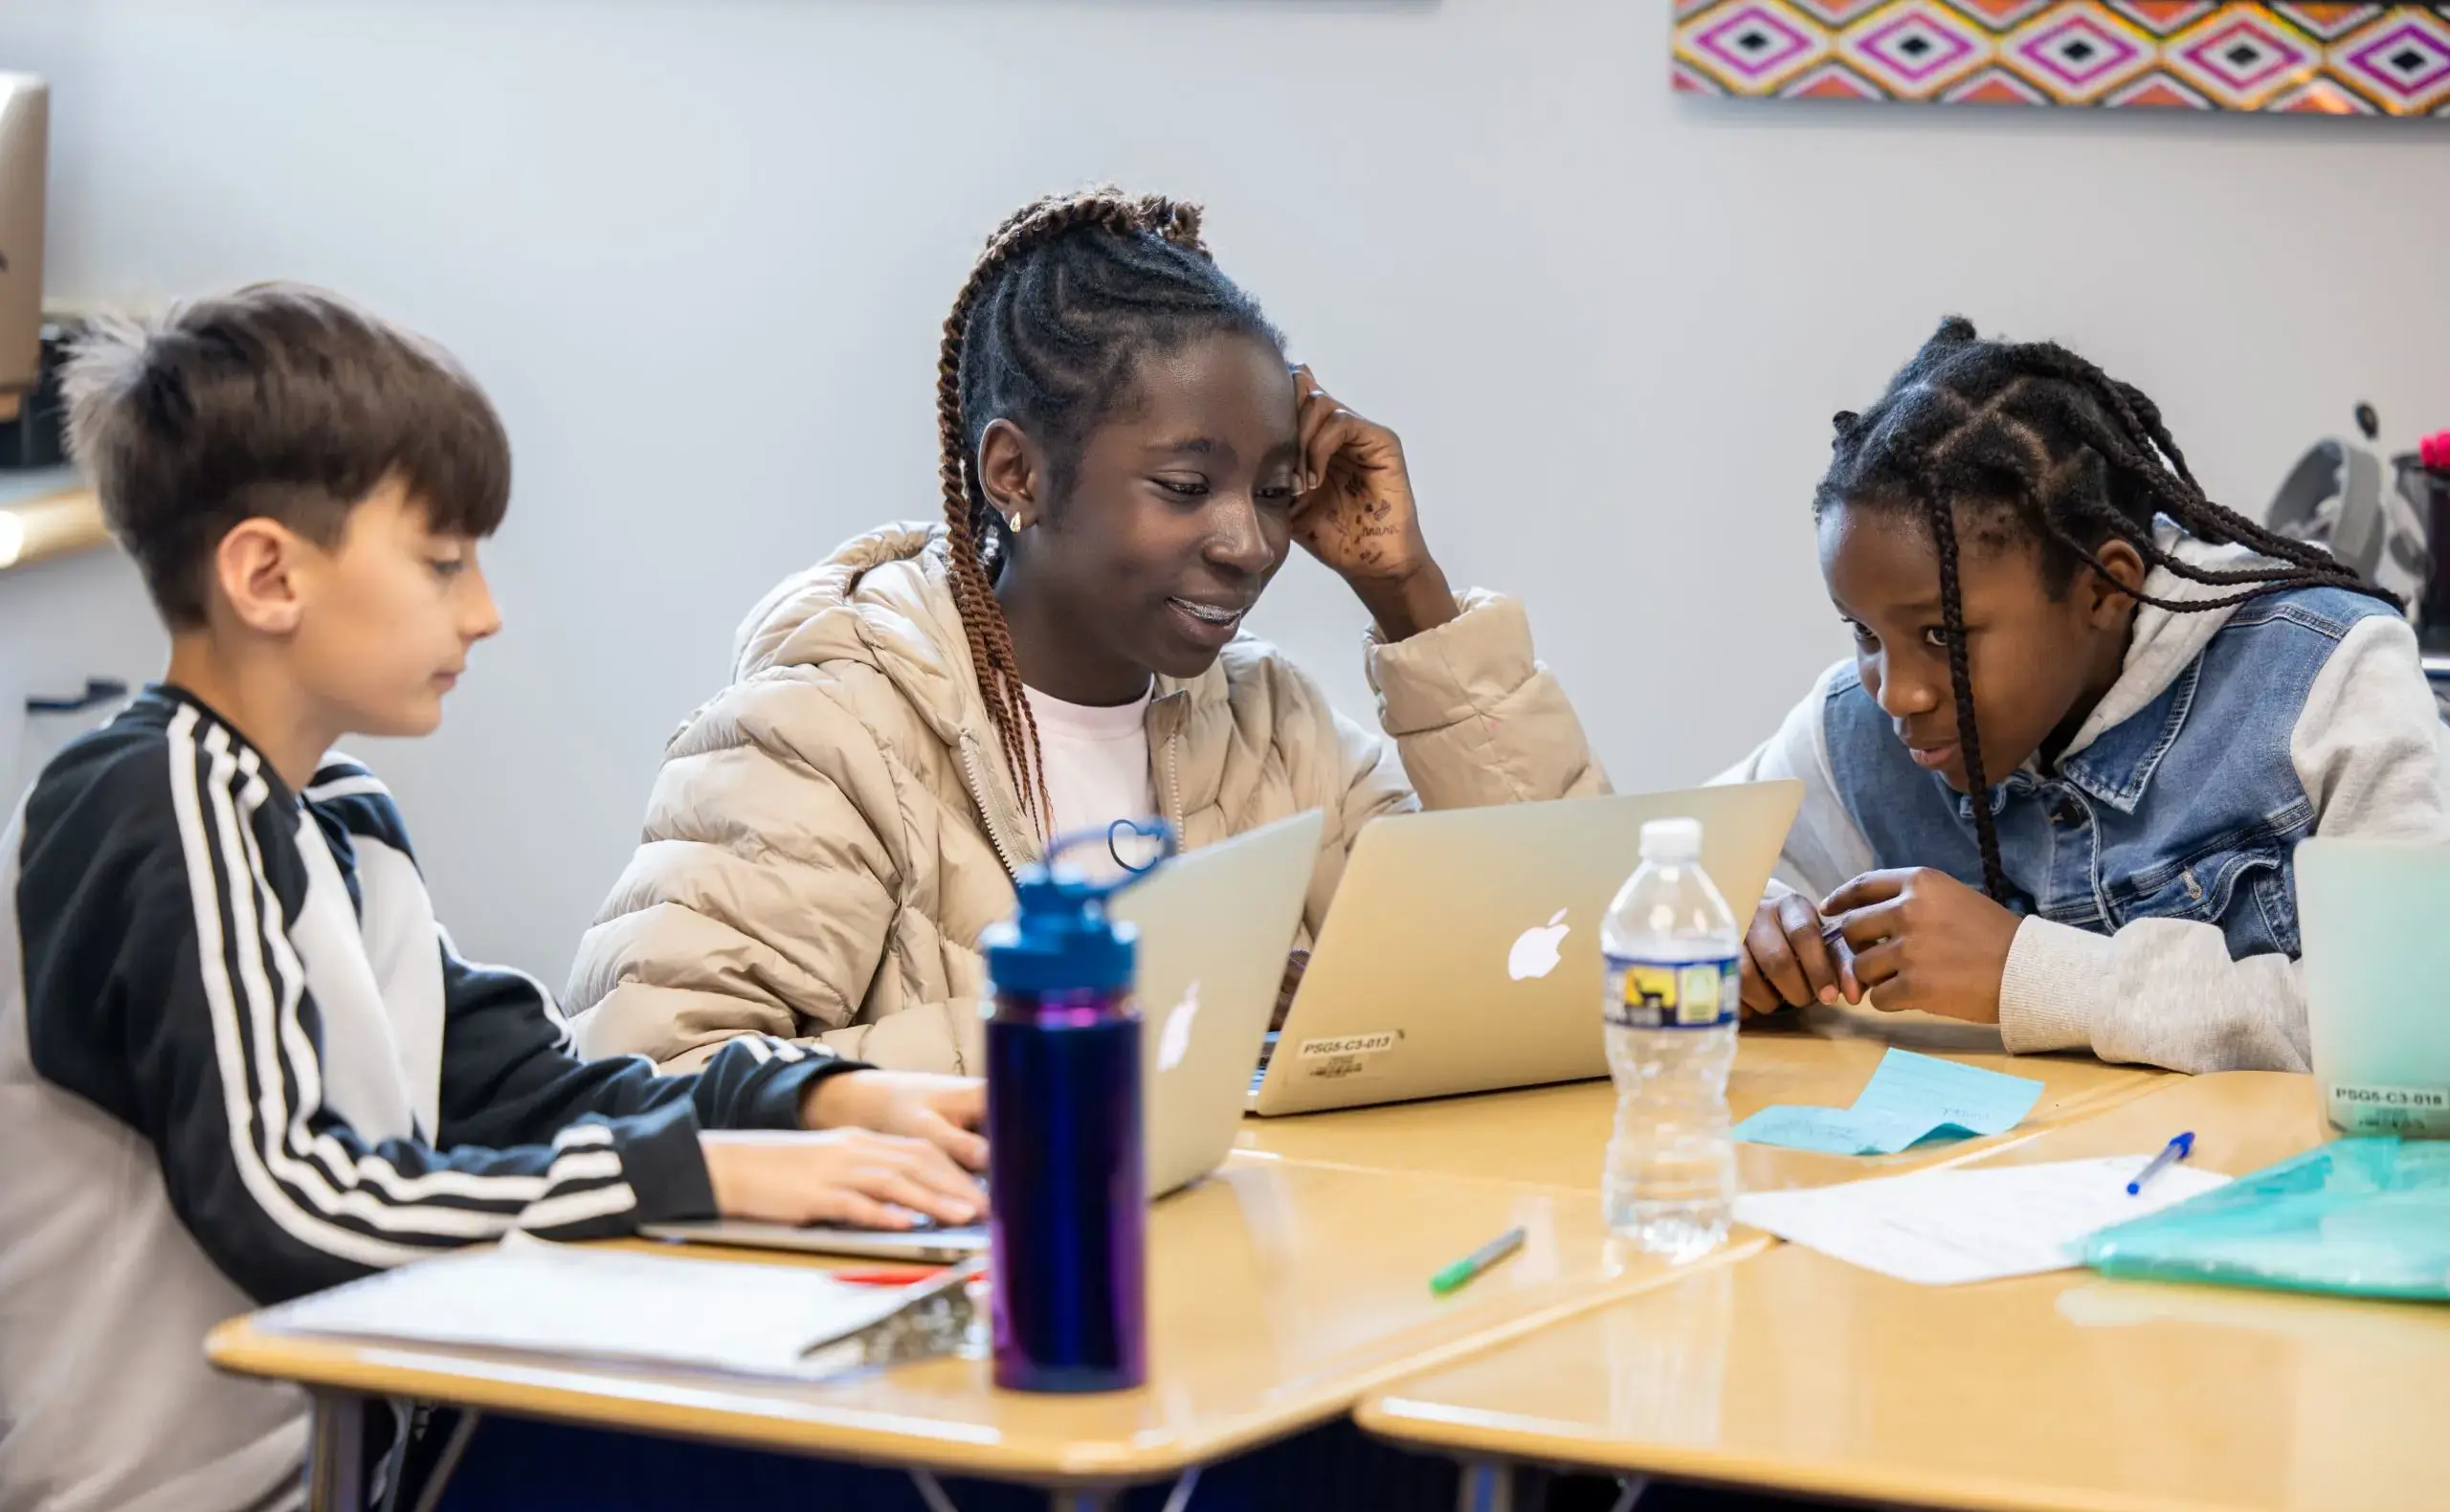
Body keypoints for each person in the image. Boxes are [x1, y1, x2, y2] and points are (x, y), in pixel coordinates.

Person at [0, 285, 987, 1512]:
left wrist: (819, 1099)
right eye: (442, 560)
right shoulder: (156, 800)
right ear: (265, 573)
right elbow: (293, 1201)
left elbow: (532, 1091)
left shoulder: (341, 819)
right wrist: (703, 1173)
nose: (484, 609)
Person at [568, 189, 1605, 1073]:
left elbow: (1559, 949)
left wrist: (1406, 589)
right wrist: (1133, 1015)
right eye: (1185, 486)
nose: (1250, 542)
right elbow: (657, 1079)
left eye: (1276, 491)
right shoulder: (823, 732)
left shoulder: (1275, 726)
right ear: (1015, 473)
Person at [1723, 317, 2450, 1074]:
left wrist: (2027, 973)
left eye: (1943, 636)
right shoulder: (1855, 729)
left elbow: (2413, 1028)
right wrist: (1744, 920)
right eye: (1864, 634)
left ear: (2105, 587)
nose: (1898, 693)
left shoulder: (2333, 677)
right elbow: (1672, 868)